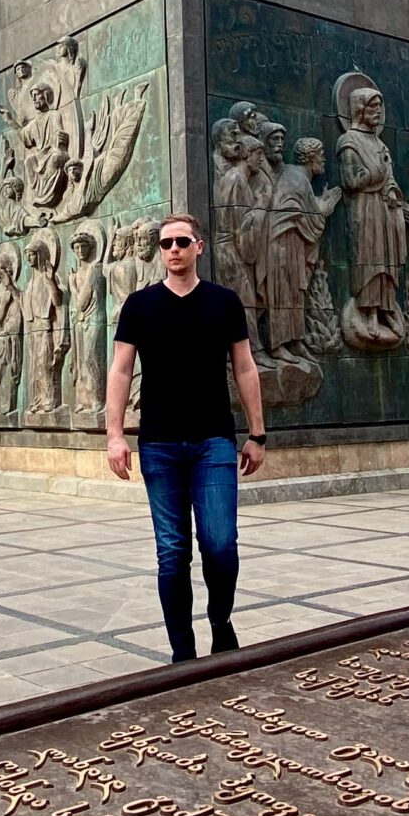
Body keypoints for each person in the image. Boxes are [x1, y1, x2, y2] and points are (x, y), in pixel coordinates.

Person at [106, 210, 265, 663]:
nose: (172, 250)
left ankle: (220, 619)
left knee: (219, 544)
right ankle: (182, 653)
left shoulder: (224, 302)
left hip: (213, 439)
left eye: (181, 242)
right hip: (158, 442)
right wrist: (115, 435)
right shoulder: (139, 305)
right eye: (165, 243)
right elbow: (120, 370)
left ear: (199, 247)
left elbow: (245, 367)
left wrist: (257, 434)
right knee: (172, 551)